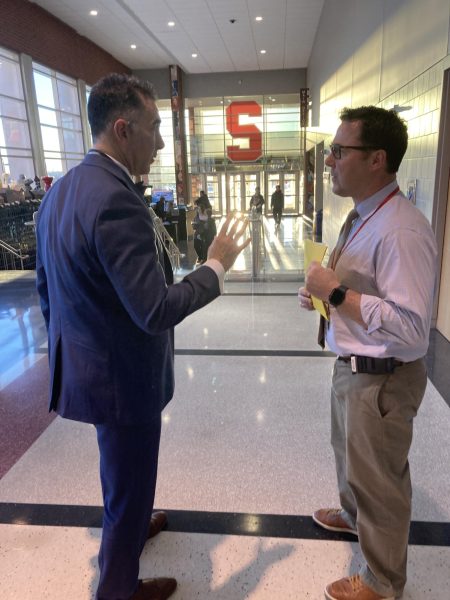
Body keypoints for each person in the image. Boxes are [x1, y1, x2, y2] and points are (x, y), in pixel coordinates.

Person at [36, 73, 249, 600]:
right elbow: (154, 309)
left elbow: (47, 291)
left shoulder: (63, 189)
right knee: (129, 480)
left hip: (91, 366)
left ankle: (128, 529)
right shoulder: (115, 199)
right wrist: (215, 267)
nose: (160, 142)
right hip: (122, 380)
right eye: (155, 128)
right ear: (123, 128)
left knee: (121, 473)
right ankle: (118, 588)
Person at [298, 106, 437, 600]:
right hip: (353, 368)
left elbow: (411, 327)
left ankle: (382, 583)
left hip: (383, 378)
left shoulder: (401, 230)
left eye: (340, 151)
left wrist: (335, 293)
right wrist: (322, 293)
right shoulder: (363, 216)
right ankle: (353, 516)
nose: (330, 160)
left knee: (380, 481)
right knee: (354, 461)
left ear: (377, 159)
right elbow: (360, 289)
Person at [192, 199, 216, 265]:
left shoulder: (207, 217)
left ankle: (203, 258)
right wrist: (194, 225)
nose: (198, 210)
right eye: (197, 209)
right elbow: (194, 224)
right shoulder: (196, 216)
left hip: (203, 234)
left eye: (199, 209)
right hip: (197, 233)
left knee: (203, 247)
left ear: (202, 209)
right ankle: (200, 257)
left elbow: (209, 227)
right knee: (196, 246)